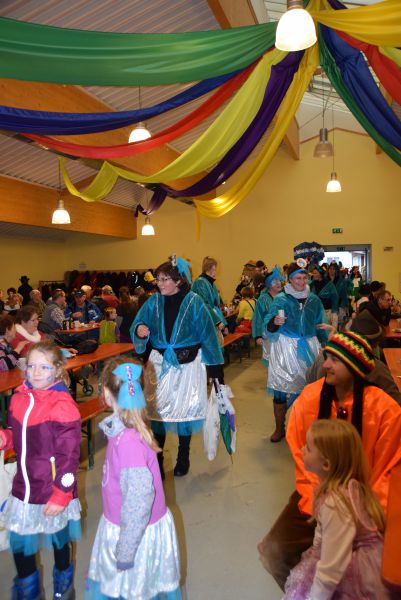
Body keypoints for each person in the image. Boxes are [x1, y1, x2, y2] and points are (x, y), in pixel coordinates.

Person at [257, 331, 401, 590]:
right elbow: (302, 457)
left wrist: (364, 514)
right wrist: (322, 503)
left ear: (354, 367)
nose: (325, 365)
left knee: (381, 572)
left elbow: (389, 468)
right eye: (327, 357)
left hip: (369, 503)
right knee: (273, 552)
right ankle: (303, 589)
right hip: (316, 494)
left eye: (335, 359)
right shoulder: (309, 399)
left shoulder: (384, 409)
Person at [85, 358, 181, 600]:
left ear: (106, 395)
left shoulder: (129, 442)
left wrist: (126, 551)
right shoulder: (125, 430)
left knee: (135, 590)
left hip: (135, 535)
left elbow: (139, 500)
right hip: (128, 525)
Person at [0, 341, 81, 599]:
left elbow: (69, 456)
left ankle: (64, 586)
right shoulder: (19, 397)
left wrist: (62, 493)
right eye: (31, 366)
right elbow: (17, 434)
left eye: (44, 367)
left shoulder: (63, 405)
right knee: (20, 543)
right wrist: (5, 438)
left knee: (59, 541)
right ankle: (29, 592)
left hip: (52, 488)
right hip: (24, 487)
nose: (35, 372)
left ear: (57, 370)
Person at [131, 255, 224, 478]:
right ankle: (157, 459)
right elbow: (137, 322)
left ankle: (183, 456)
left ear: (178, 281)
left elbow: (209, 337)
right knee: (156, 412)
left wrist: (216, 373)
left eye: (164, 279)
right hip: (159, 364)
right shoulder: (153, 302)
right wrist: (140, 329)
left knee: (184, 411)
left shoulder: (194, 302)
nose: (159, 284)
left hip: (188, 367)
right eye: (158, 279)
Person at [283, 420, 391, 599]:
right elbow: (323, 533)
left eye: (308, 448)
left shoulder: (336, 504)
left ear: (326, 464)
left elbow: (330, 571)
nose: (302, 449)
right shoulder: (340, 487)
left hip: (352, 572)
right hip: (339, 557)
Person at [264, 261, 328, 442]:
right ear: (290, 280)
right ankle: (279, 428)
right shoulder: (281, 299)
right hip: (285, 348)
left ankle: (308, 427)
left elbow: (320, 324)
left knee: (311, 386)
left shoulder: (314, 300)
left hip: (309, 346)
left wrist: (324, 344)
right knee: (280, 387)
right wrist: (274, 322)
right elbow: (268, 324)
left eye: (304, 278)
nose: (301, 281)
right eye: (297, 278)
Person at [306, 310, 401, 405]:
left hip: (320, 409)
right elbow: (396, 402)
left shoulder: (324, 356)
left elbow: (309, 378)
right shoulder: (376, 367)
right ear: (375, 345)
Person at [252, 267, 284, 366]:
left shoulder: (284, 297)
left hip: (284, 334)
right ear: (269, 284)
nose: (278, 283)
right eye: (275, 281)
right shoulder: (263, 299)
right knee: (272, 362)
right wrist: (258, 336)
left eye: (279, 280)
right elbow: (258, 318)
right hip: (268, 334)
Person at [191, 256, 227, 334]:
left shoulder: (211, 283)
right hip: (205, 322)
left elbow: (216, 306)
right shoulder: (200, 282)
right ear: (210, 269)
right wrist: (217, 321)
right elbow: (204, 304)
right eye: (215, 269)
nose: (215, 272)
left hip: (212, 320)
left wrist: (223, 323)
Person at [309, 265, 339, 329]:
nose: (313, 275)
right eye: (313, 273)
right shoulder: (312, 284)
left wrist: (334, 312)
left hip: (327, 312)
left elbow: (335, 298)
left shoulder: (329, 284)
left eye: (315, 273)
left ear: (320, 274)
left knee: (327, 331)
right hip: (315, 312)